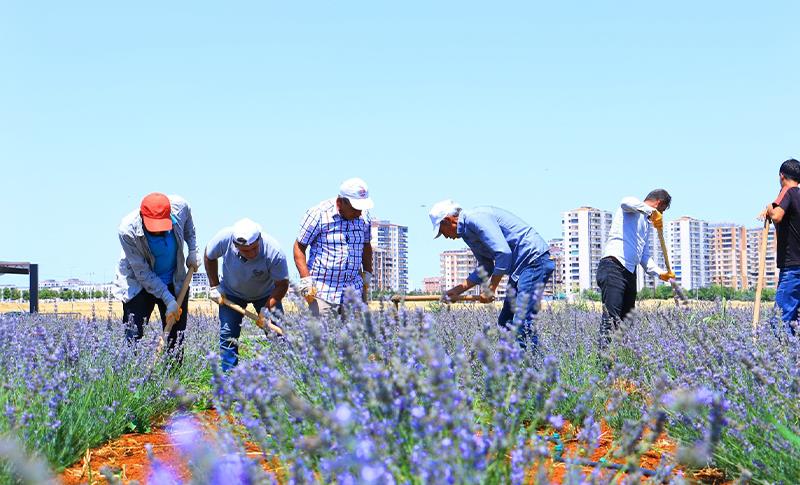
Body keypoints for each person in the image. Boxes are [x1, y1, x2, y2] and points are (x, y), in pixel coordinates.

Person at [429, 200, 554, 349]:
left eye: (442, 231)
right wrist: (458, 290)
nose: (445, 236)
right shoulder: (467, 233)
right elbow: (486, 266)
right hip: (520, 268)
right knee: (505, 323)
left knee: (522, 325)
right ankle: (507, 367)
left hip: (533, 261)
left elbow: (503, 253)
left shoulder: (476, 218)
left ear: (448, 220)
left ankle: (537, 368)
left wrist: (490, 289)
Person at [114, 192, 198, 354]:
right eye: (154, 228)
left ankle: (173, 376)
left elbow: (189, 226)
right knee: (133, 333)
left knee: (176, 337)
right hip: (139, 284)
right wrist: (168, 299)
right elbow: (143, 272)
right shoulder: (127, 231)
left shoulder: (180, 207)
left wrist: (193, 250)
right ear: (142, 216)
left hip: (174, 279)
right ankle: (131, 372)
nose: (159, 232)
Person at [205, 218, 289, 371]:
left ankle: (284, 373)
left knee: (277, 333)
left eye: (255, 248)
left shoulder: (274, 252)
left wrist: (265, 310)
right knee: (228, 335)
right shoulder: (224, 238)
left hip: (266, 294)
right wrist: (214, 286)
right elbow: (209, 256)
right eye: (245, 251)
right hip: (231, 293)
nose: (251, 253)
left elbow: (282, 285)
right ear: (235, 245)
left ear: (260, 239)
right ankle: (229, 380)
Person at [597, 190, 674, 344]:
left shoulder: (645, 224)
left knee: (627, 320)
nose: (661, 216)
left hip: (629, 273)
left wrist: (661, 273)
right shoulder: (631, 208)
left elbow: (644, 256)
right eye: (662, 211)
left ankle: (618, 358)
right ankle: (603, 364)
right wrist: (651, 211)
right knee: (611, 319)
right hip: (613, 266)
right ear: (658, 203)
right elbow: (625, 201)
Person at [294, 178, 374, 316]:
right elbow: (299, 246)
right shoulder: (318, 214)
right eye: (355, 208)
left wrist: (367, 273)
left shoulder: (364, 217)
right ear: (340, 202)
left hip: (354, 290)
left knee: (357, 336)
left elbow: (366, 245)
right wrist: (305, 280)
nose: (359, 212)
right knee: (321, 336)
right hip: (323, 292)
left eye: (361, 208)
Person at [763, 158, 800, 334]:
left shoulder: (788, 191)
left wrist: (769, 207)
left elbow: (777, 215)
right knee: (795, 322)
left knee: (781, 319)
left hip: (793, 267)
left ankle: (784, 359)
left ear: (781, 176)